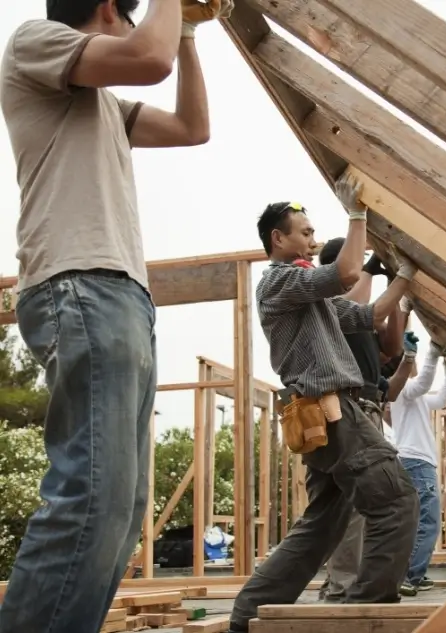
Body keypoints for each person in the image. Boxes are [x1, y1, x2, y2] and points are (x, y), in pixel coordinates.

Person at [0, 1, 220, 632]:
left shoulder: (102, 106)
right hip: (80, 283)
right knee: (90, 499)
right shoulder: (35, 43)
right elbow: (148, 59)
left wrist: (189, 32)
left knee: (120, 509)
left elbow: (191, 127)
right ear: (108, 9)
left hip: (117, 294)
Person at [228, 175, 419, 632]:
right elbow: (349, 271)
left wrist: (406, 276)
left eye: (314, 234)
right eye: (306, 233)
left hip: (328, 416)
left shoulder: (309, 295)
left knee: (323, 527)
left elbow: (369, 315)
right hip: (332, 413)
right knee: (396, 502)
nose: (313, 242)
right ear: (279, 238)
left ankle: (246, 617)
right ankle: (365, 615)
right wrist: (357, 215)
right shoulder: (278, 282)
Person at [315, 238, 407, 603]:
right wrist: (370, 269)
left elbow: (393, 345)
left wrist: (394, 288)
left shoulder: (359, 312)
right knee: (356, 504)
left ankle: (342, 586)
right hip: (344, 407)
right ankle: (341, 588)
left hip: (363, 407)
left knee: (356, 504)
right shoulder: (324, 303)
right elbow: (351, 303)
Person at [386, 332, 446, 596]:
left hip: (416, 463)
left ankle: (415, 571)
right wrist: (434, 353)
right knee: (427, 522)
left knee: (418, 522)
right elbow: (424, 383)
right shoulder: (403, 389)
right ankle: (409, 576)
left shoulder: (412, 396)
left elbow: (439, 399)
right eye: (408, 362)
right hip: (416, 462)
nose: (413, 367)